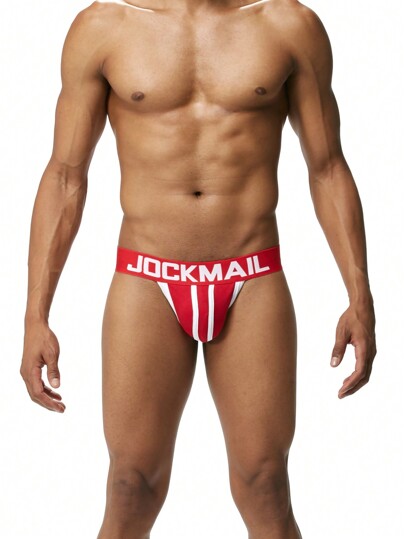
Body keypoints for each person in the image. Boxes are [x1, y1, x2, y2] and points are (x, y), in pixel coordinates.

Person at [20, 1, 377, 538]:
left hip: (252, 273)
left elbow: (327, 167)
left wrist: (360, 297)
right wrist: (35, 315)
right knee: (130, 486)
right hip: (146, 275)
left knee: (266, 484)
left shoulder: (287, 25)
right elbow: (66, 175)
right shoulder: (104, 27)